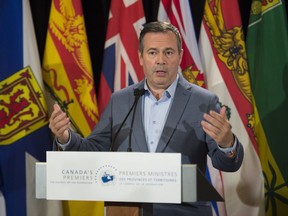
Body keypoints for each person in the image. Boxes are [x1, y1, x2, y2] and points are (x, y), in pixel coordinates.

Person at [49, 21, 244, 216]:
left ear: (180, 56)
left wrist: (227, 144)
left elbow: (226, 164)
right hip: (127, 211)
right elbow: (93, 150)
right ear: (141, 57)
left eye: (168, 52)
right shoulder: (121, 100)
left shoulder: (203, 101)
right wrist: (65, 137)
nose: (160, 60)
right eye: (152, 52)